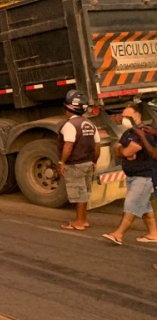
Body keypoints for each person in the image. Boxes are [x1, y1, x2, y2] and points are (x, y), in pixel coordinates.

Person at [102, 107, 157, 245]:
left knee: (131, 205)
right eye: (123, 116)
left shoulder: (145, 132)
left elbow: (128, 151)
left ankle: (118, 234)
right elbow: (118, 149)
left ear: (137, 116)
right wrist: (123, 150)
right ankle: (153, 233)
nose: (123, 119)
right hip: (132, 176)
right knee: (144, 207)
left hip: (144, 176)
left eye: (127, 116)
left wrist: (124, 150)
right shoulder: (129, 132)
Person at [57, 90, 100, 230]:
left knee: (78, 193)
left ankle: (79, 223)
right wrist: (94, 161)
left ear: (68, 109)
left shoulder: (70, 125)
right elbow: (97, 146)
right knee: (85, 192)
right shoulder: (90, 124)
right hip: (88, 163)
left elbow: (68, 145)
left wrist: (62, 162)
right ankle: (83, 219)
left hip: (75, 164)